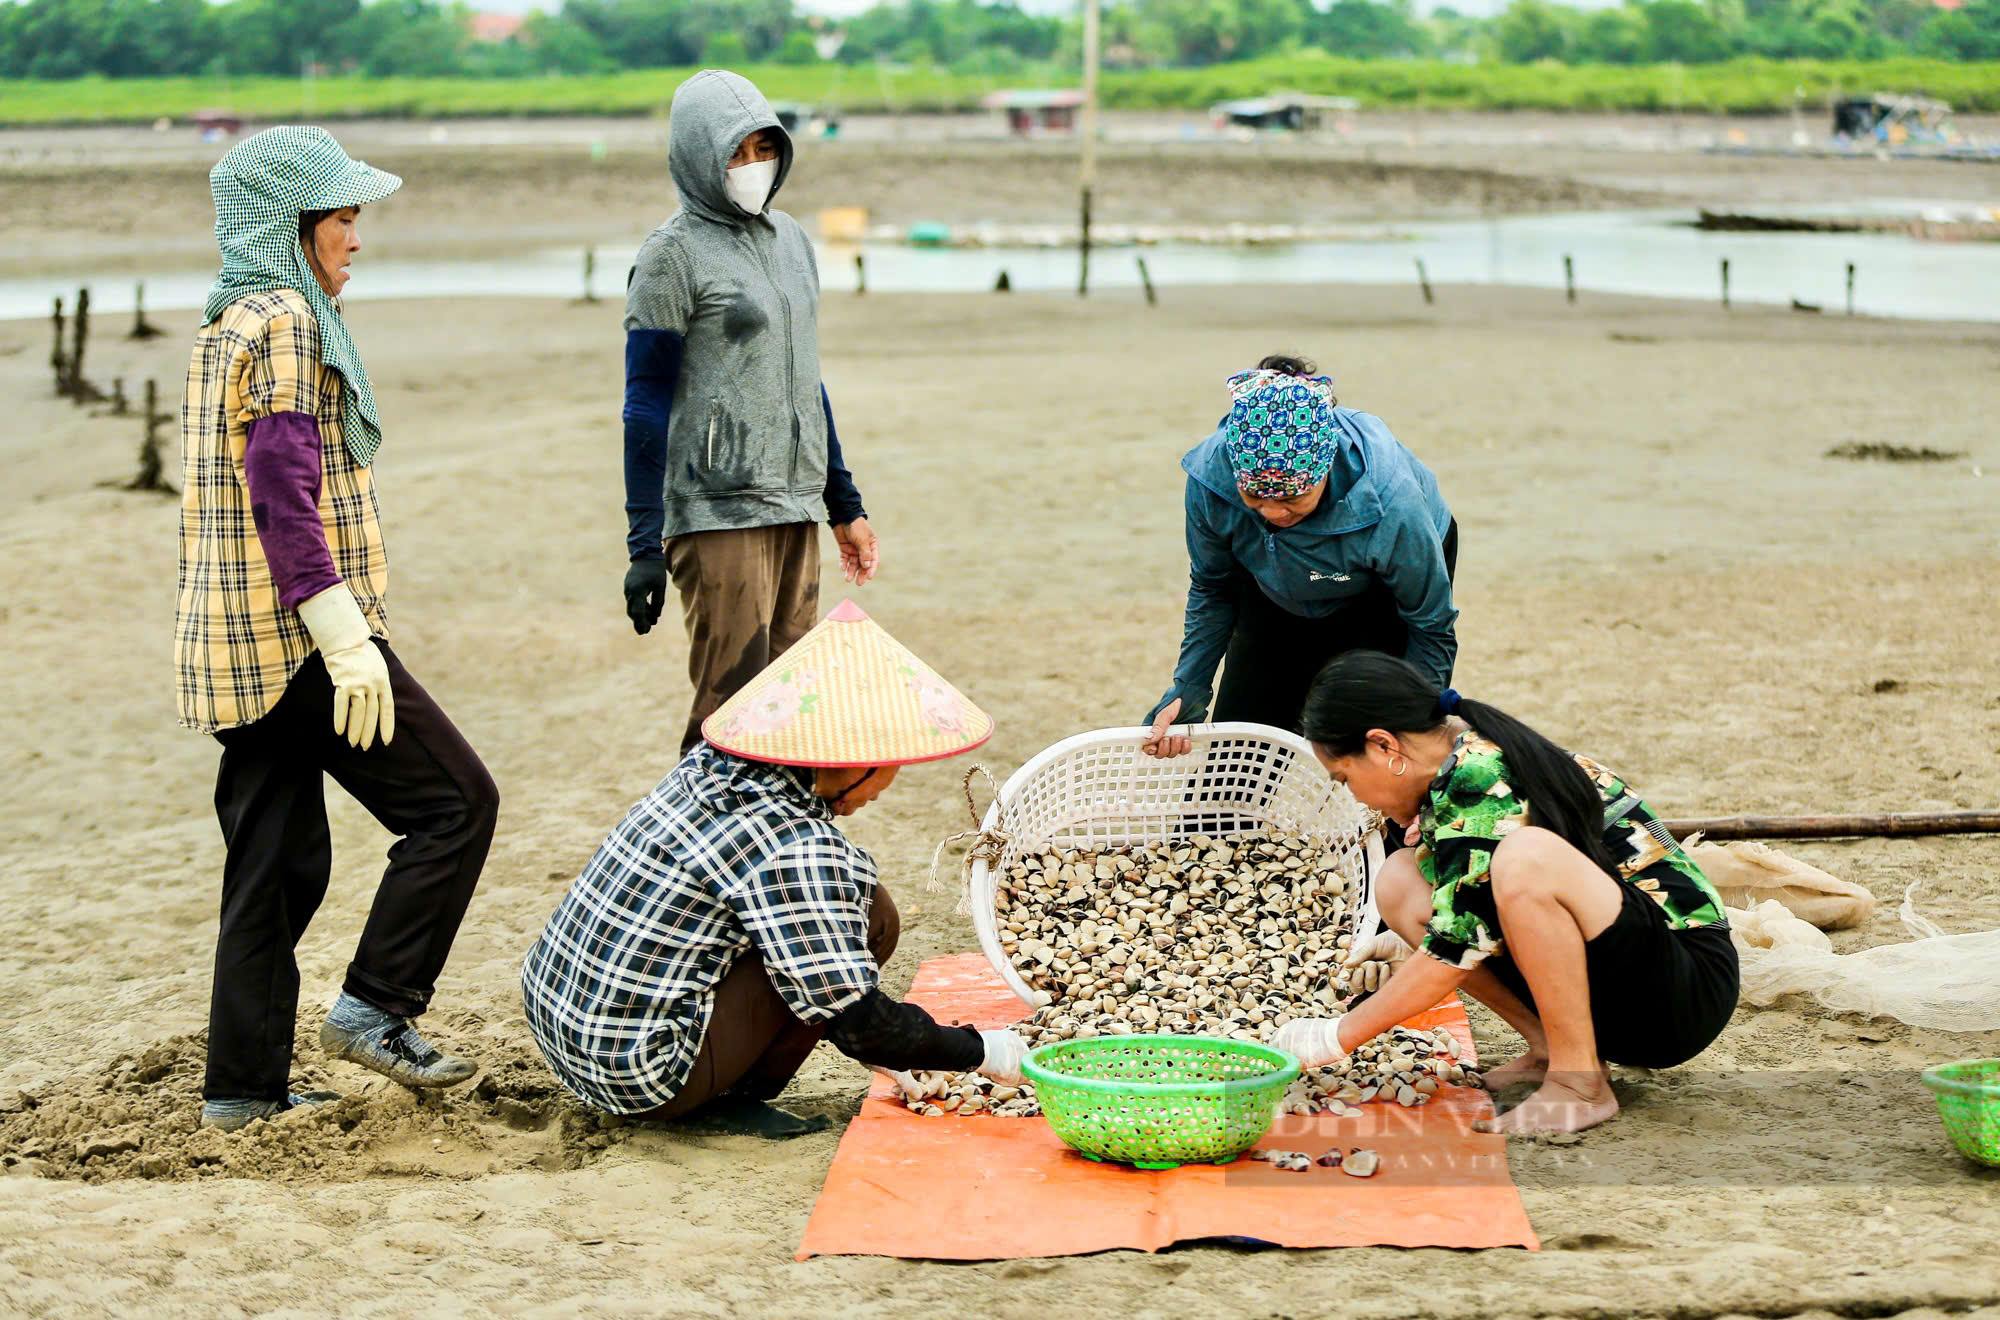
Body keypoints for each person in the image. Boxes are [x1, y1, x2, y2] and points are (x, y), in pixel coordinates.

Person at [178, 126, 499, 1131]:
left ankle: (241, 1093)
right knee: (454, 806)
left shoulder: (227, 317)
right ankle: (376, 1007)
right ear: (291, 224)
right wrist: (345, 639)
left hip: (234, 645)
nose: (356, 239)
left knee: (273, 867)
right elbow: (280, 491)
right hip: (303, 638)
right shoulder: (284, 323)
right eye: (343, 218)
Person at [521, 600, 1021, 1139]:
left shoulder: (713, 768)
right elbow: (859, 1018)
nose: (886, 785)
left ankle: (724, 1075)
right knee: (869, 924)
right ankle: (723, 1098)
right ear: (851, 761)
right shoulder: (794, 845)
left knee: (856, 911)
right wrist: (982, 1050)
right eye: (891, 765)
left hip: (569, 1024)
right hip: (638, 1073)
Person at [1268, 652, 1738, 1135]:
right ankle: (1551, 1050)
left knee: (1524, 857)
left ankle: (1579, 1085)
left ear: (1384, 746)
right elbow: (1459, 910)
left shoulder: (1479, 774)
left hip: (1683, 991)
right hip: (1622, 970)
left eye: (1345, 779)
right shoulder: (1453, 765)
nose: (1356, 797)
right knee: (1400, 879)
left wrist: (1332, 1037)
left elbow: (1455, 947)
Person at [620, 69, 880, 754]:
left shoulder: (791, 240)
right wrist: (644, 546)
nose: (751, 166)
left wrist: (843, 504)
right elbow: (643, 404)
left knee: (791, 712)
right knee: (728, 715)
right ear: (696, 158)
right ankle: (684, 854)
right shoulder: (670, 257)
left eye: (763, 148)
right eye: (734, 152)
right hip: (717, 514)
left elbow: (802, 380)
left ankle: (774, 859)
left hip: (793, 505)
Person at [1141, 355, 1457, 758]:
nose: (1274, 513)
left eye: (1293, 498)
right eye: (1255, 497)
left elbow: (1430, 626)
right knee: (1242, 746)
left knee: (1372, 738)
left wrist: (1415, 723)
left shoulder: (1392, 501)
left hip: (1379, 587)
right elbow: (1214, 587)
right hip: (1269, 577)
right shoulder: (1210, 480)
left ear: (1324, 471)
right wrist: (1188, 690)